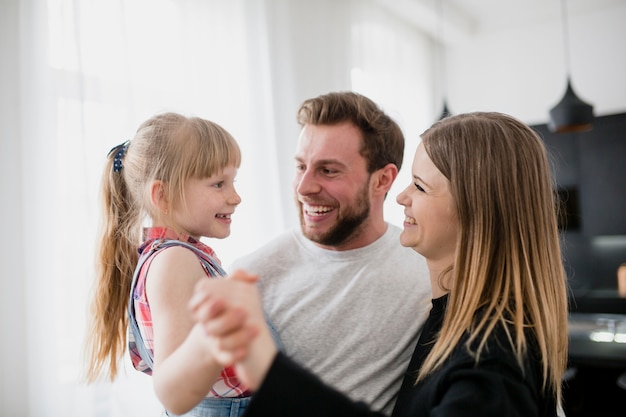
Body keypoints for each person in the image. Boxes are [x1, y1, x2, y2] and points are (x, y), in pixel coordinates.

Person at [190, 111, 570, 417]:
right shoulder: (450, 316)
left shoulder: (494, 351)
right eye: (301, 165)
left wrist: (268, 370)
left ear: (477, 212)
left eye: (420, 186)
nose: (402, 197)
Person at [228, 91, 432, 414]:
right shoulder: (250, 276)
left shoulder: (428, 273)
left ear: (383, 179)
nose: (304, 187)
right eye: (300, 166)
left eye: (328, 170)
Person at [84, 112, 252, 417]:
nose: (235, 197)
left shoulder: (176, 256)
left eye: (233, 181)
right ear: (163, 195)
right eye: (218, 184)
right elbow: (174, 391)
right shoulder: (175, 260)